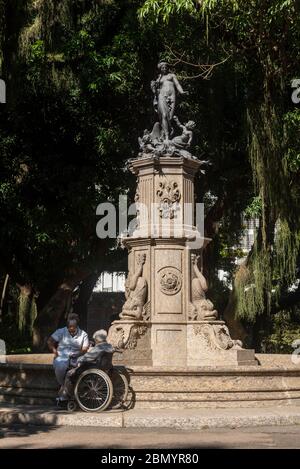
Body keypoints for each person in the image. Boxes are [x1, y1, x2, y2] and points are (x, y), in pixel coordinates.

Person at [58, 329, 114, 402]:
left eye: (95, 339)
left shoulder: (99, 347)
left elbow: (88, 357)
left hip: (93, 368)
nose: (94, 341)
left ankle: (68, 395)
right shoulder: (108, 346)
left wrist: (79, 359)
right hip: (103, 367)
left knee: (69, 374)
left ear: (97, 339)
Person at [47, 313, 89, 396]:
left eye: (73, 326)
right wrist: (55, 352)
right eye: (69, 326)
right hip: (62, 356)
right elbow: (50, 341)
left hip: (76, 357)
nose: (71, 328)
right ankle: (64, 386)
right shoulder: (61, 331)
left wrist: (77, 354)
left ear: (77, 325)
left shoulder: (83, 334)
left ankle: (68, 389)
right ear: (67, 326)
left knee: (79, 369)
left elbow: (85, 349)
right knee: (60, 366)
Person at [151, 62, 188, 142]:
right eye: (162, 68)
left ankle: (164, 133)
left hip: (171, 97)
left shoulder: (172, 75)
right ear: (160, 69)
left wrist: (181, 91)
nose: (164, 69)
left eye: (165, 67)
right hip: (161, 96)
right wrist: (153, 86)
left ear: (168, 68)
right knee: (164, 115)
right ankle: (167, 137)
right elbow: (155, 90)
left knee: (169, 117)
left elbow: (177, 84)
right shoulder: (159, 77)